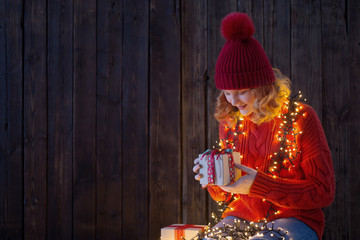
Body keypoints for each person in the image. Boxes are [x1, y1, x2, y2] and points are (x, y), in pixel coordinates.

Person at [193, 12, 335, 240]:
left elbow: (323, 192)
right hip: (241, 217)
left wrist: (259, 185)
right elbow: (224, 196)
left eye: (242, 92)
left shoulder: (301, 118)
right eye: (227, 93)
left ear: (263, 87)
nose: (234, 101)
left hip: (295, 219)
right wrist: (212, 178)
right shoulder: (230, 122)